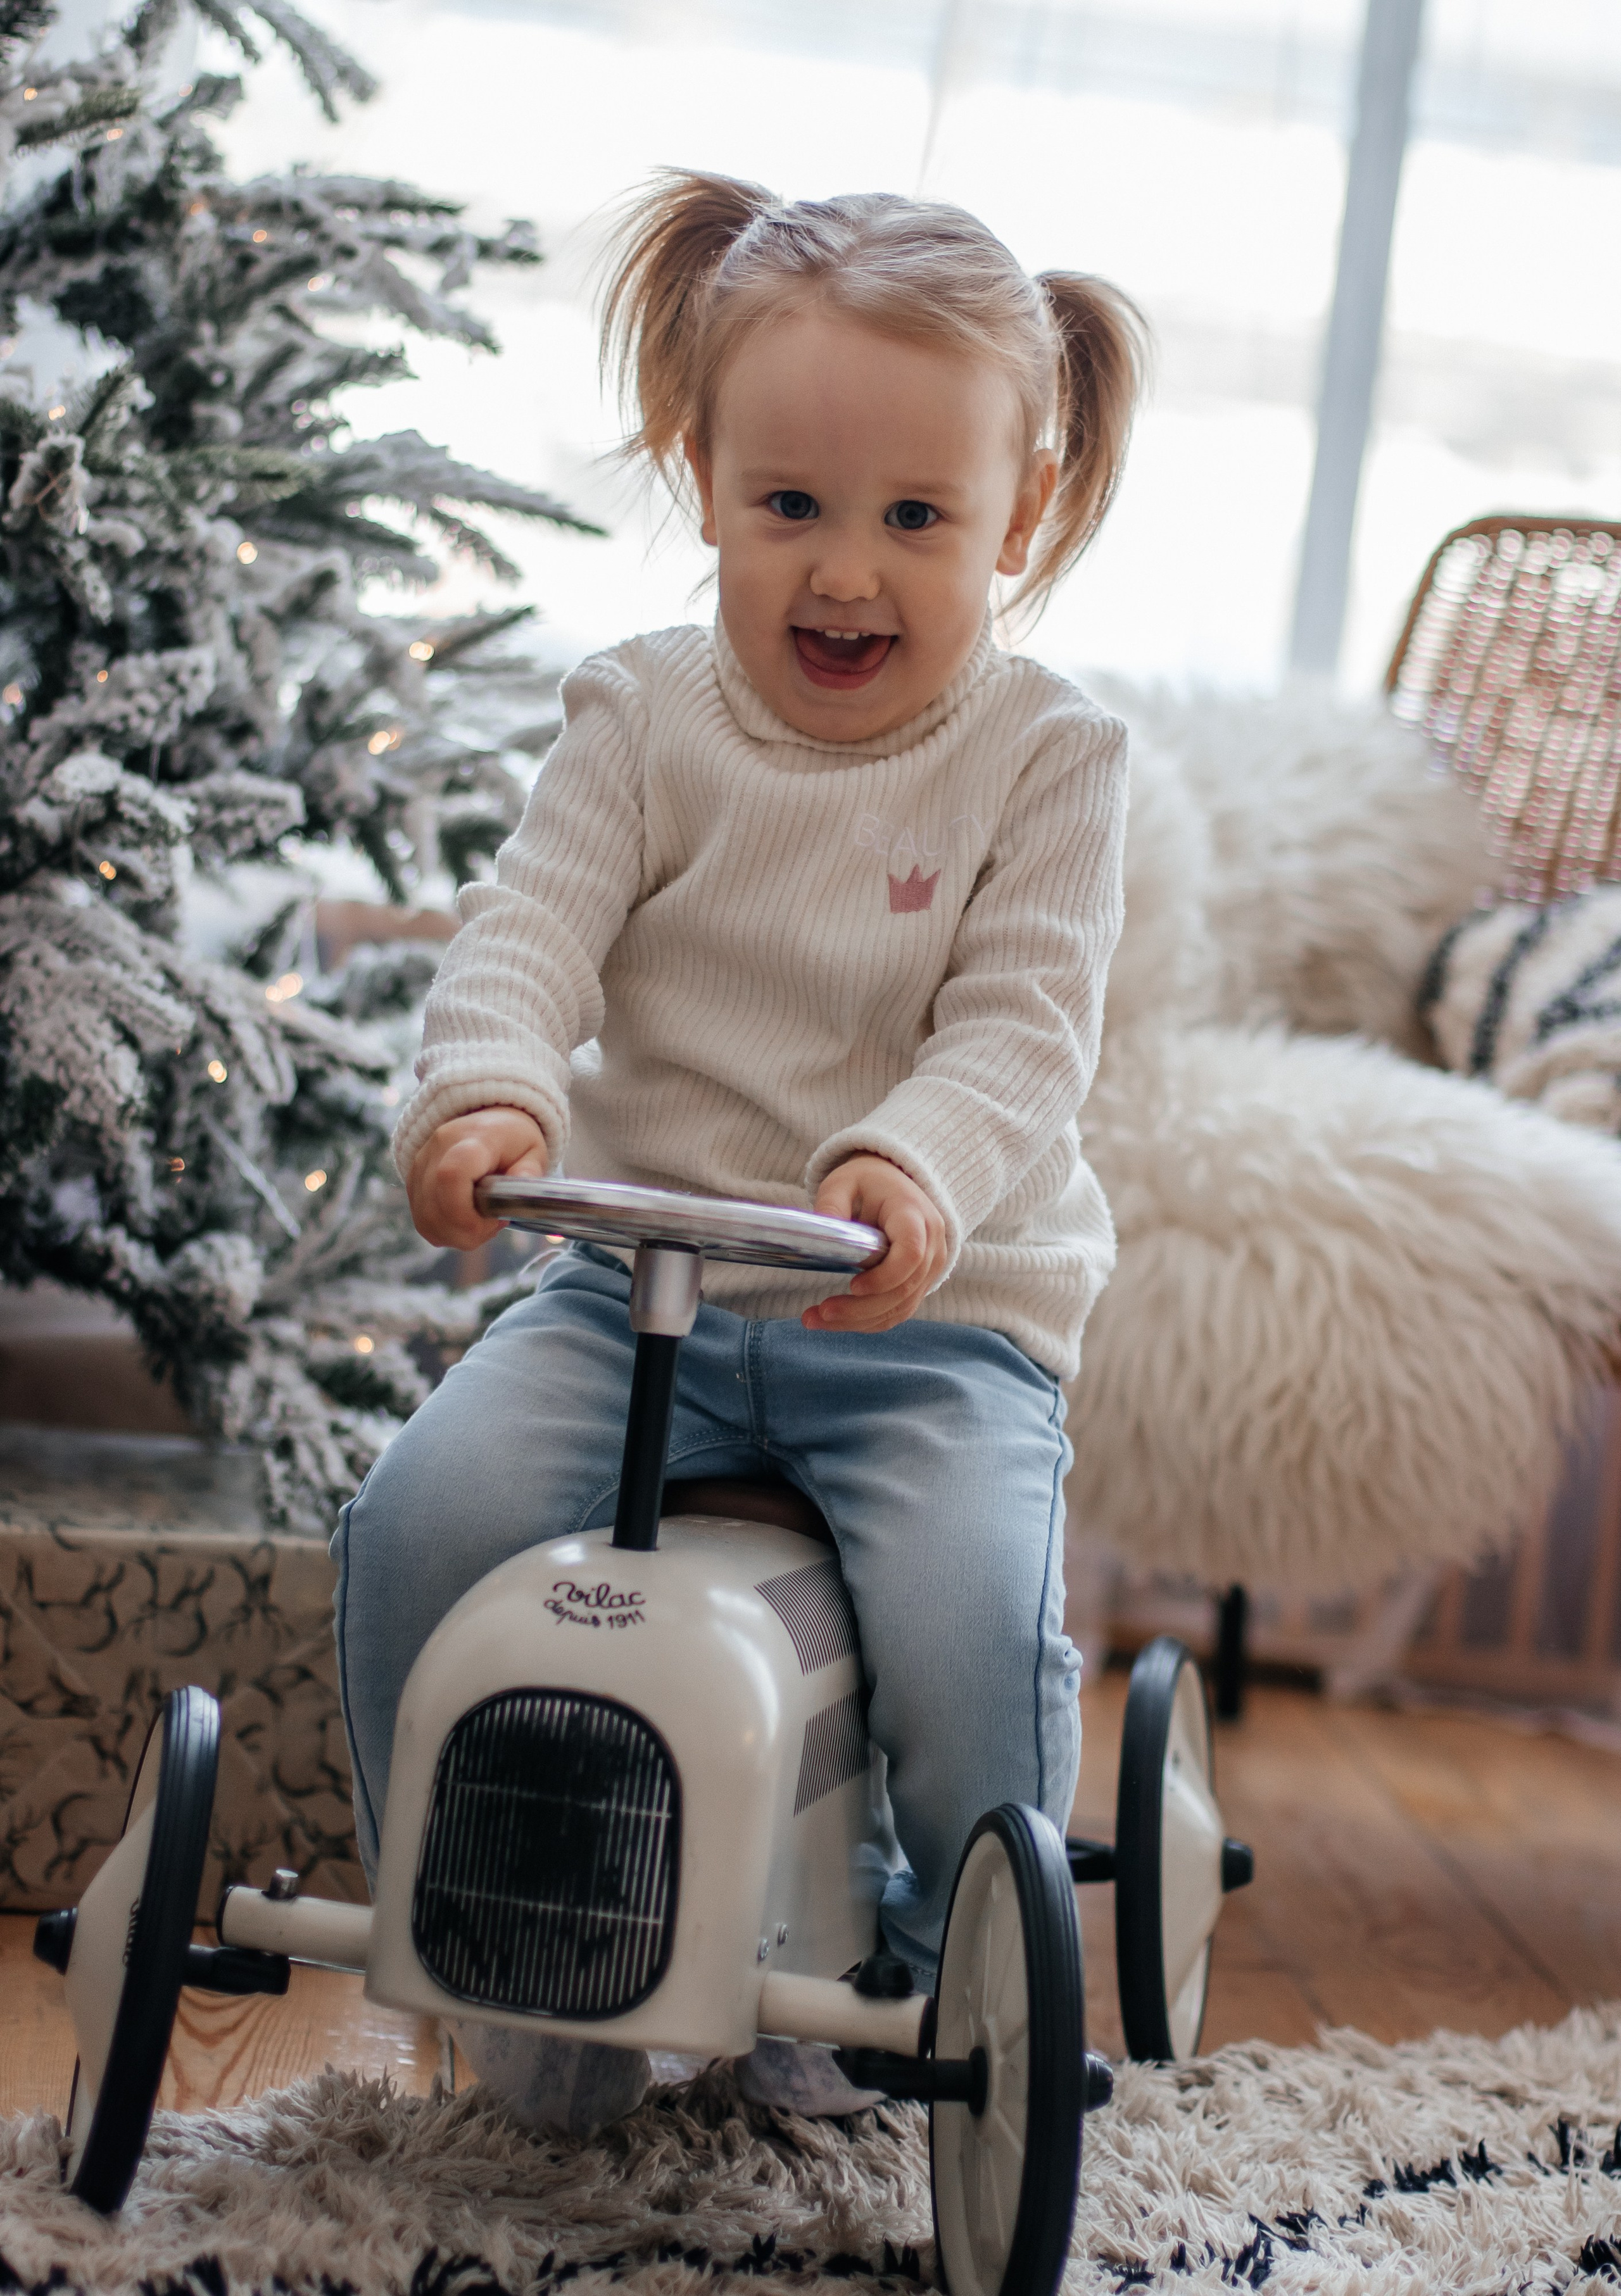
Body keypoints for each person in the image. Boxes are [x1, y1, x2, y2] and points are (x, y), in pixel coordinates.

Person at [334, 170, 1142, 2135]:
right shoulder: (635, 717)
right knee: (418, 1525)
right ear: (704, 478)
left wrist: (912, 1171)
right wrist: (490, 1094)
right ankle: (477, 1893)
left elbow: (1023, 1029)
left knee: (965, 1629)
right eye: (790, 506)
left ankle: (952, 1968)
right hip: (637, 1294)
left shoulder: (1051, 760)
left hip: (927, 1328)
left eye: (916, 520)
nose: (843, 574)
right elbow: (527, 930)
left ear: (1017, 515)